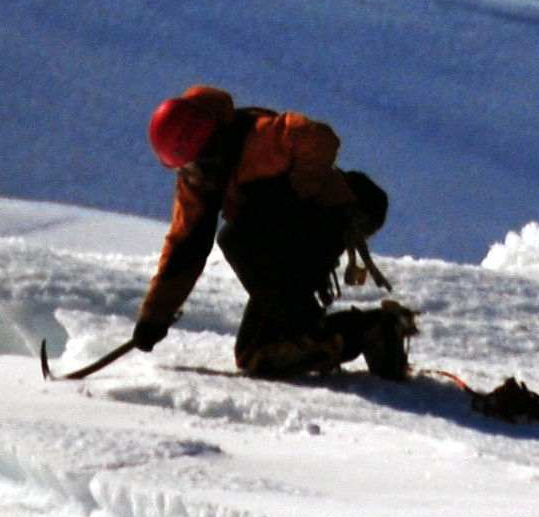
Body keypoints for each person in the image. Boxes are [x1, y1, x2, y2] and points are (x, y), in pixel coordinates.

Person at [130, 85, 414, 381]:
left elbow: (319, 139)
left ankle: (309, 328)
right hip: (281, 246)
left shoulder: (259, 140)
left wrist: (293, 195)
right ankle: (374, 330)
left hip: (329, 223)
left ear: (213, 142)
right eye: (187, 166)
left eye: (199, 160)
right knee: (259, 355)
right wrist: (154, 316)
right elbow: (186, 247)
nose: (195, 171)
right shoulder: (199, 182)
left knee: (236, 239)